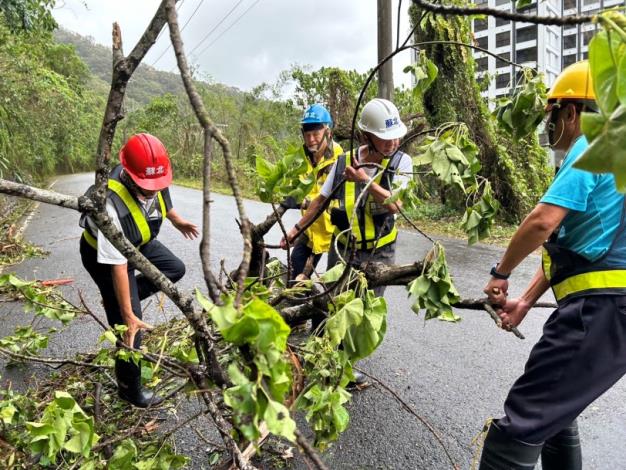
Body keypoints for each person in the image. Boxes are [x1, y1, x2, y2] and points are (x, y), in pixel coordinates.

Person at [479, 61, 625, 469]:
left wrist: (500, 273)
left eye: (556, 115)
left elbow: (543, 222)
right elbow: (581, 246)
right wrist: (525, 300)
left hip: (599, 312)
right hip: (607, 308)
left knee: (520, 423)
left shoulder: (593, 143)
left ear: (572, 111)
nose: (554, 126)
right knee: (556, 413)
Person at [80, 133, 198, 408]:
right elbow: (119, 266)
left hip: (138, 243)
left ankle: (115, 300)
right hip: (104, 257)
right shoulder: (108, 205)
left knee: (174, 269)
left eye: (156, 185)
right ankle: (129, 389)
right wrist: (129, 313)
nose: (152, 191)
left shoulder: (153, 177)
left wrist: (177, 221)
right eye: (146, 187)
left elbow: (162, 198)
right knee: (131, 327)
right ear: (130, 176)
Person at [281, 98, 412, 297]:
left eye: (396, 137)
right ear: (367, 137)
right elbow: (320, 201)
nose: (393, 143)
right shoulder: (344, 161)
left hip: (380, 253)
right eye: (385, 139)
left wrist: (364, 180)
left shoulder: (401, 163)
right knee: (334, 305)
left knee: (368, 309)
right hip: (342, 250)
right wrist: (295, 230)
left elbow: (396, 205)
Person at [281, 104, 343, 280]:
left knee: (333, 285)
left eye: (316, 134)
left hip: (332, 234)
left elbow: (325, 201)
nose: (311, 139)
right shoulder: (305, 156)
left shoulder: (339, 159)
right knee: (295, 274)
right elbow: (301, 188)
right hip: (310, 230)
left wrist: (296, 228)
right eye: (307, 135)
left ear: (327, 132)